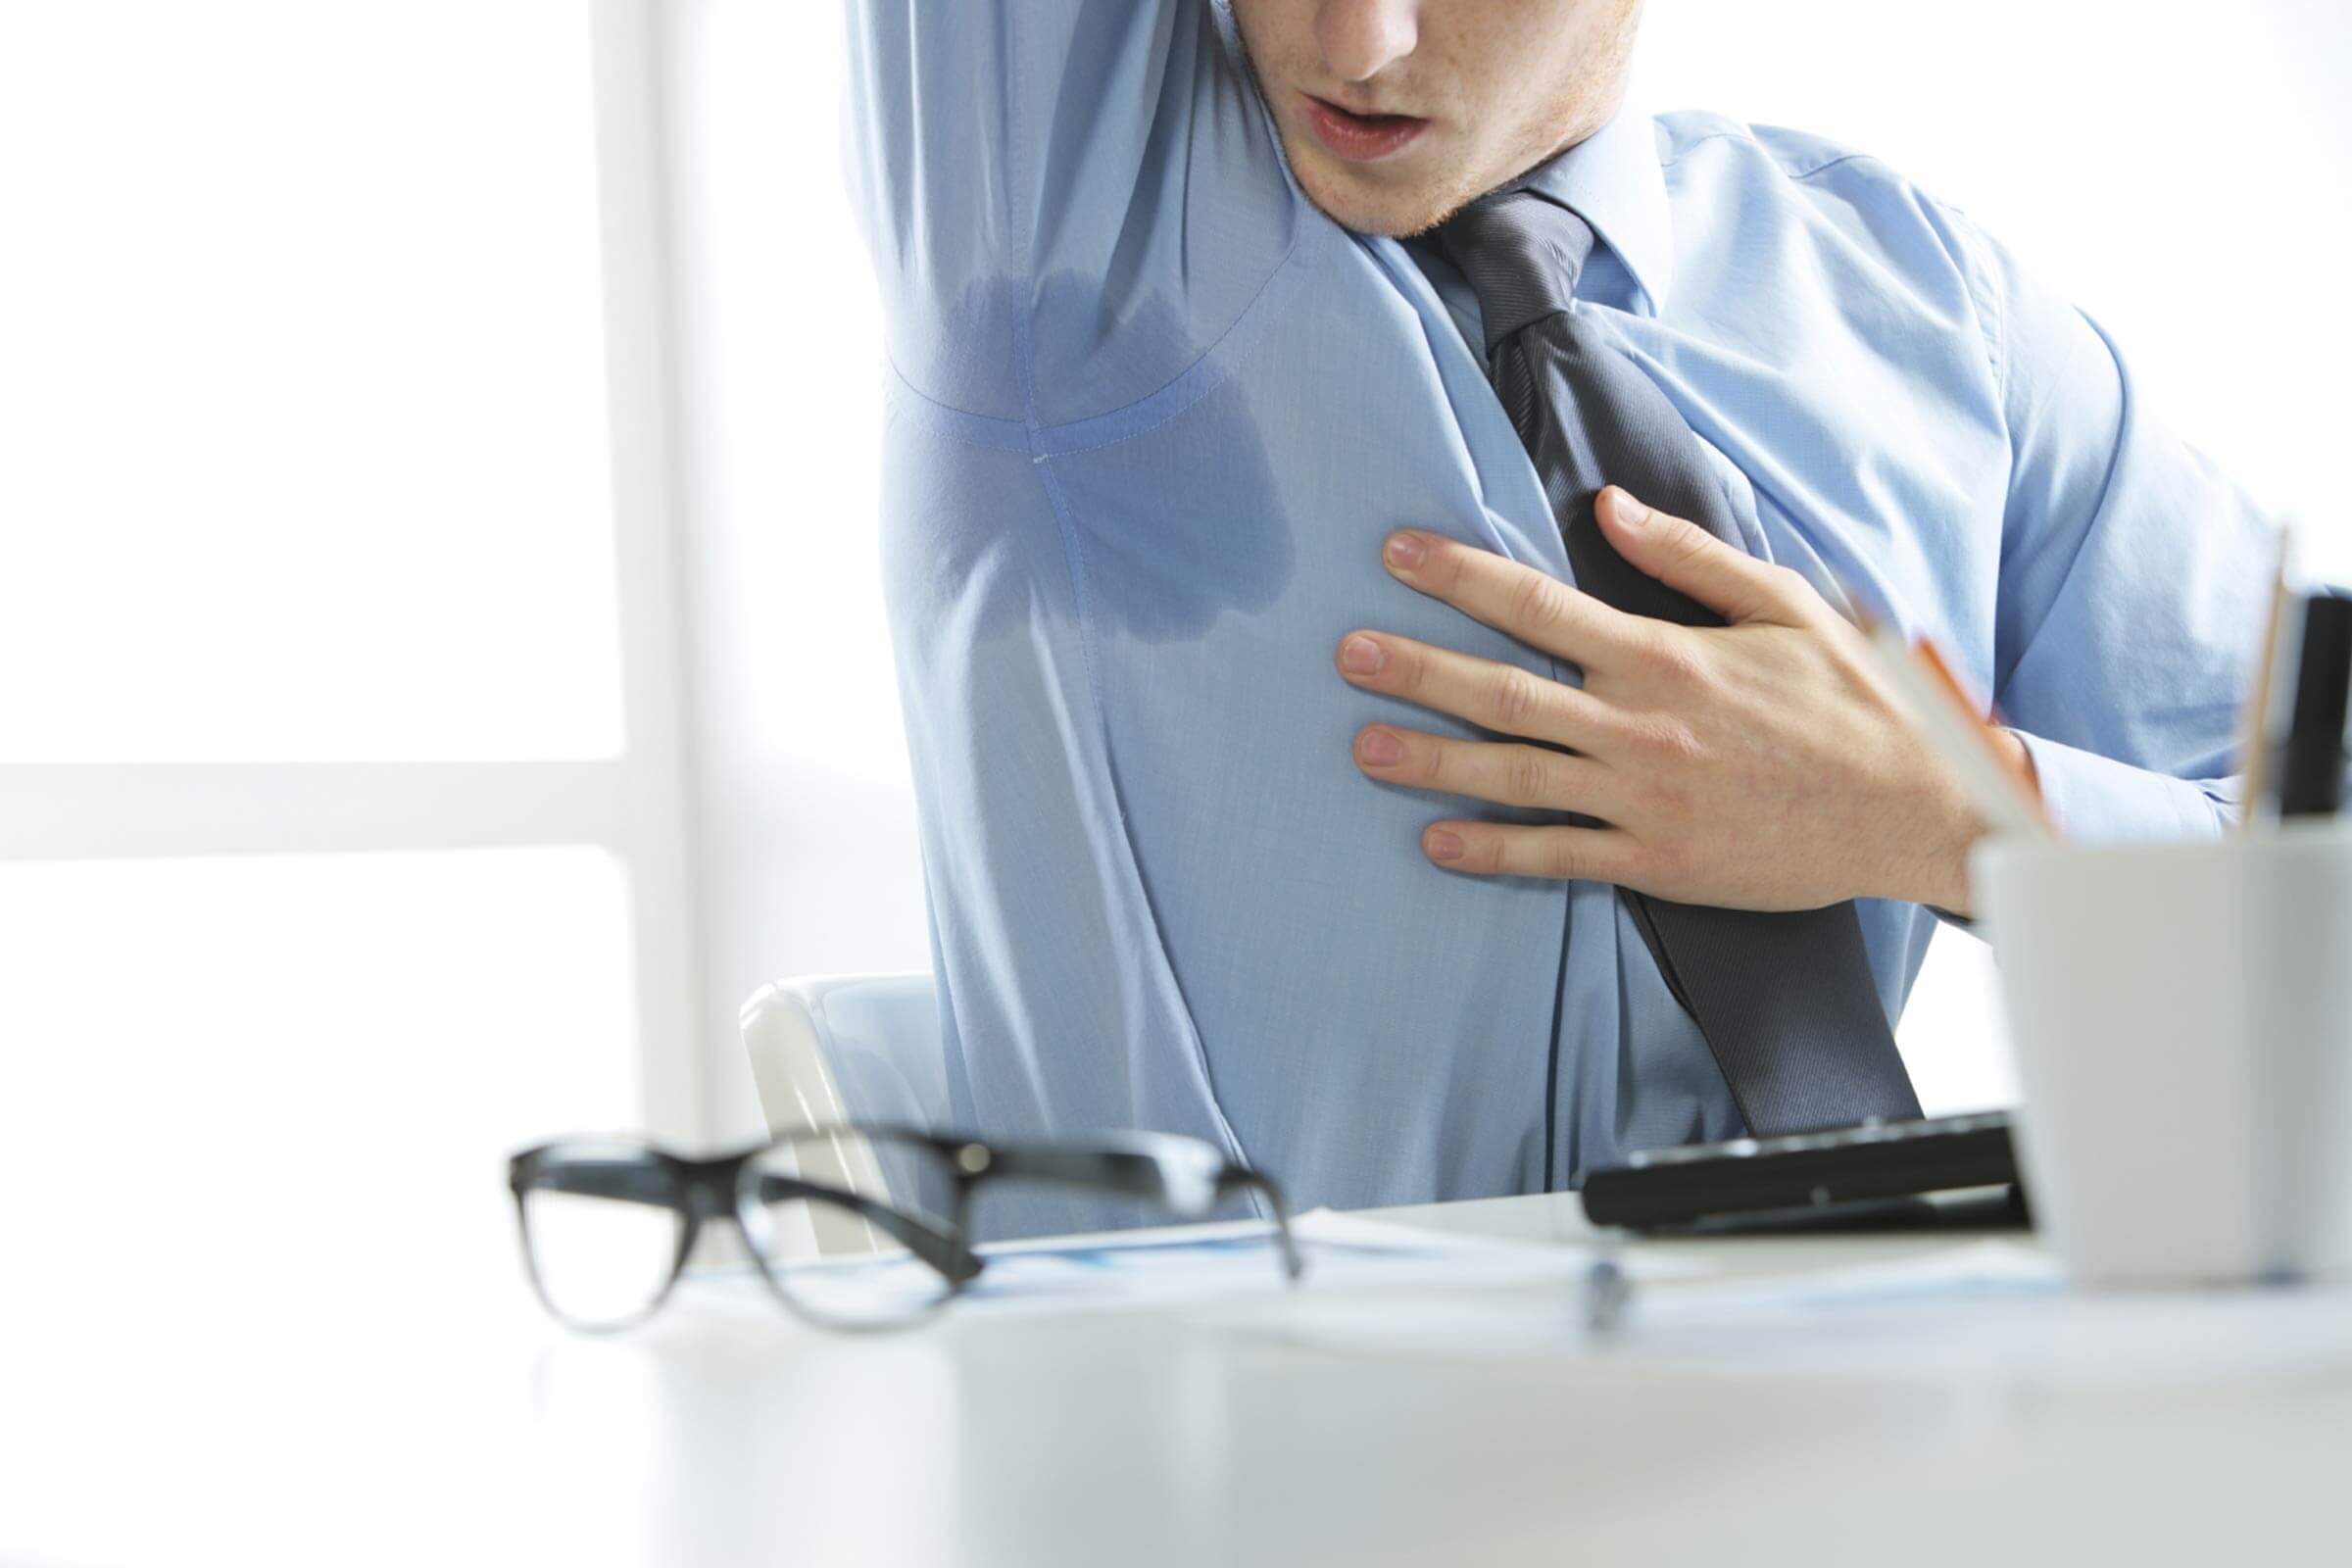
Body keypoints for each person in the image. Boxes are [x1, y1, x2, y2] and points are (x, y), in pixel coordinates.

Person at [839, 0, 2267, 1222]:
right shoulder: (1055, 219)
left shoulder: (1927, 306)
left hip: (1879, 1435)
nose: (1357, 38)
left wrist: (1949, 817)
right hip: (1272, 1478)